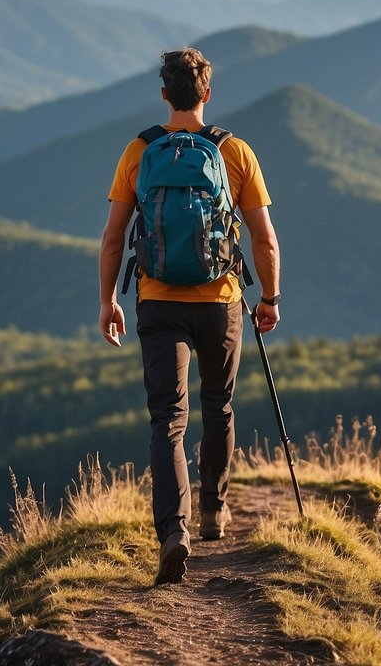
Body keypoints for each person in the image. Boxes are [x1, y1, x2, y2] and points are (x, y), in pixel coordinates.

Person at [98, 48, 282, 585]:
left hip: (157, 300)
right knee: (218, 404)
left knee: (167, 419)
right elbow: (264, 238)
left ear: (163, 94)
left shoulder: (140, 150)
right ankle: (212, 513)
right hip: (220, 299)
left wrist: (108, 299)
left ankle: (172, 533)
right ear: (206, 93)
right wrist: (269, 298)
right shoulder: (234, 151)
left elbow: (113, 238)